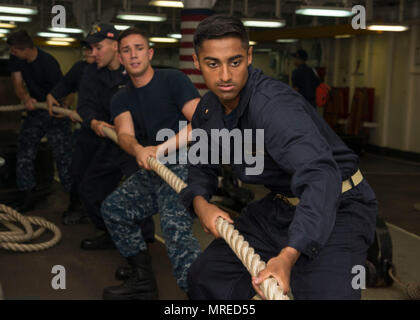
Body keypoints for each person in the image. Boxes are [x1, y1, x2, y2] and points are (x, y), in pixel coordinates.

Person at [181, 15, 378, 300]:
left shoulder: (274, 108)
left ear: (249, 56)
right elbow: (200, 164)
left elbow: (320, 178)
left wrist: (287, 257)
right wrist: (201, 204)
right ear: (197, 62)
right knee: (205, 278)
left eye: (234, 62)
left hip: (338, 205)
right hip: (280, 206)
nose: (225, 75)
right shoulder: (209, 108)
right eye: (213, 63)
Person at [100, 27, 201, 300]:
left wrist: (160, 149)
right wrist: (139, 150)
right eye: (126, 50)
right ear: (120, 58)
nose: (133, 55)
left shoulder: (173, 80)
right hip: (155, 166)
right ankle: (143, 281)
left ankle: (202, 296)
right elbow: (124, 135)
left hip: (188, 161)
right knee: (114, 209)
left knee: (173, 228)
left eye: (139, 48)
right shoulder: (121, 97)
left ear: (150, 53)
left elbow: (202, 122)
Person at [75, 23, 155, 251]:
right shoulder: (92, 71)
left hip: (139, 142)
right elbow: (85, 104)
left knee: (138, 191)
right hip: (111, 140)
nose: (94, 53)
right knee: (90, 188)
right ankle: (112, 232)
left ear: (114, 47)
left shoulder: (135, 69)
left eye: (98, 47)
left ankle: (142, 244)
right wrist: (94, 122)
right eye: (91, 48)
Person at [7, 29, 73, 212]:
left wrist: (65, 110)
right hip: (37, 111)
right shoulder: (16, 59)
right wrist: (26, 98)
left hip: (55, 113)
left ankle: (75, 203)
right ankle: (27, 194)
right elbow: (17, 83)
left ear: (25, 49)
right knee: (25, 150)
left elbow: (66, 90)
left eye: (14, 50)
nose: (12, 53)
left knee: (63, 158)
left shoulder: (48, 63)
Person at [46, 44, 95, 225]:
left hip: (111, 135)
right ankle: (77, 208)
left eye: (95, 47)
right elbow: (65, 86)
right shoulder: (81, 68)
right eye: (88, 48)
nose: (90, 52)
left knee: (103, 178)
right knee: (78, 171)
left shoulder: (117, 71)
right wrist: (53, 96)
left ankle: (101, 219)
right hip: (86, 131)